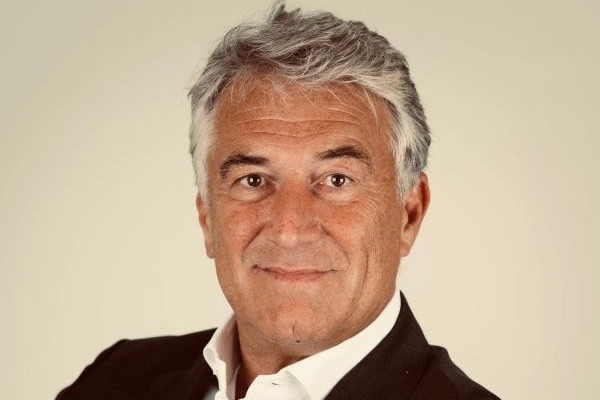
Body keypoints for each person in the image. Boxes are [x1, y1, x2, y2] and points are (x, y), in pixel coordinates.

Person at [57, 3, 500, 400]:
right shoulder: (116, 381)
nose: (289, 230)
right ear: (207, 217)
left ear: (409, 215)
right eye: (253, 180)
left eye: (337, 179)